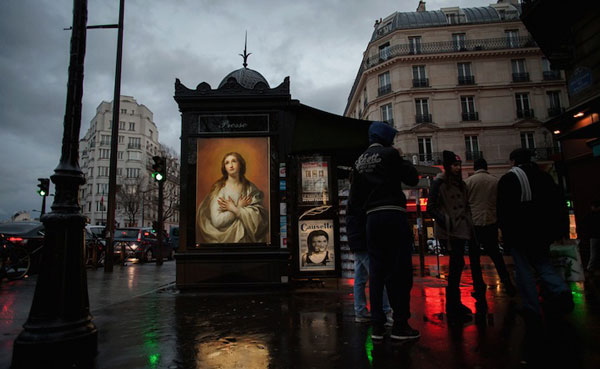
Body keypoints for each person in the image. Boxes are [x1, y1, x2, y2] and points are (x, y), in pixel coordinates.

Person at [349, 121, 420, 341]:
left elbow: (355, 199)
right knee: (400, 270)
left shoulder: (358, 162)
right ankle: (400, 324)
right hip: (392, 214)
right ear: (387, 138)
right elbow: (412, 177)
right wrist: (400, 156)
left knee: (377, 272)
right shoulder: (390, 154)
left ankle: (378, 325)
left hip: (372, 219)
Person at [497, 148, 573, 325]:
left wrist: (505, 234)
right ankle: (560, 289)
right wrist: (560, 229)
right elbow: (558, 203)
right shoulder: (544, 176)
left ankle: (532, 307)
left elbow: (504, 211)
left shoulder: (511, 178)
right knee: (543, 264)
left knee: (523, 270)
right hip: (543, 232)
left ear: (514, 161)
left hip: (521, 233)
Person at [427, 150, 484, 323]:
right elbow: (431, 207)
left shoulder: (461, 184)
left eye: (458, 165)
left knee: (457, 265)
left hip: (461, 227)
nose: (457, 168)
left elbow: (465, 205)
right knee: (456, 264)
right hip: (450, 230)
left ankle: (454, 303)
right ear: (447, 166)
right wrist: (444, 220)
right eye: (454, 165)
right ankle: (453, 304)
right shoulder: (439, 183)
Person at [465, 158, 516, 297]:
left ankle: (479, 287)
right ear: (486, 167)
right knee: (496, 255)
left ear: (474, 167)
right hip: (491, 221)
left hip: (474, 224)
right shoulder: (495, 181)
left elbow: (465, 204)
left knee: (474, 259)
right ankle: (507, 284)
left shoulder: (468, 182)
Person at [196, 152, 268, 243]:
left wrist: (234, 209)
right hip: (224, 241)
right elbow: (217, 221)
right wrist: (238, 208)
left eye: (234, 161)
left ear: (240, 164)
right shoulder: (219, 189)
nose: (231, 165)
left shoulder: (250, 188)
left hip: (247, 242)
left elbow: (259, 219)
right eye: (227, 163)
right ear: (224, 167)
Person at [347, 188, 393, 325]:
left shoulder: (353, 201)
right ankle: (385, 311)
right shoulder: (363, 200)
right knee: (377, 275)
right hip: (364, 242)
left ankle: (360, 311)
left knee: (360, 278)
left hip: (357, 242)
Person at [580, 200, 600, 274]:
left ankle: (590, 268)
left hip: (593, 236)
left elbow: (585, 226)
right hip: (595, 236)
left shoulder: (589, 215)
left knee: (593, 253)